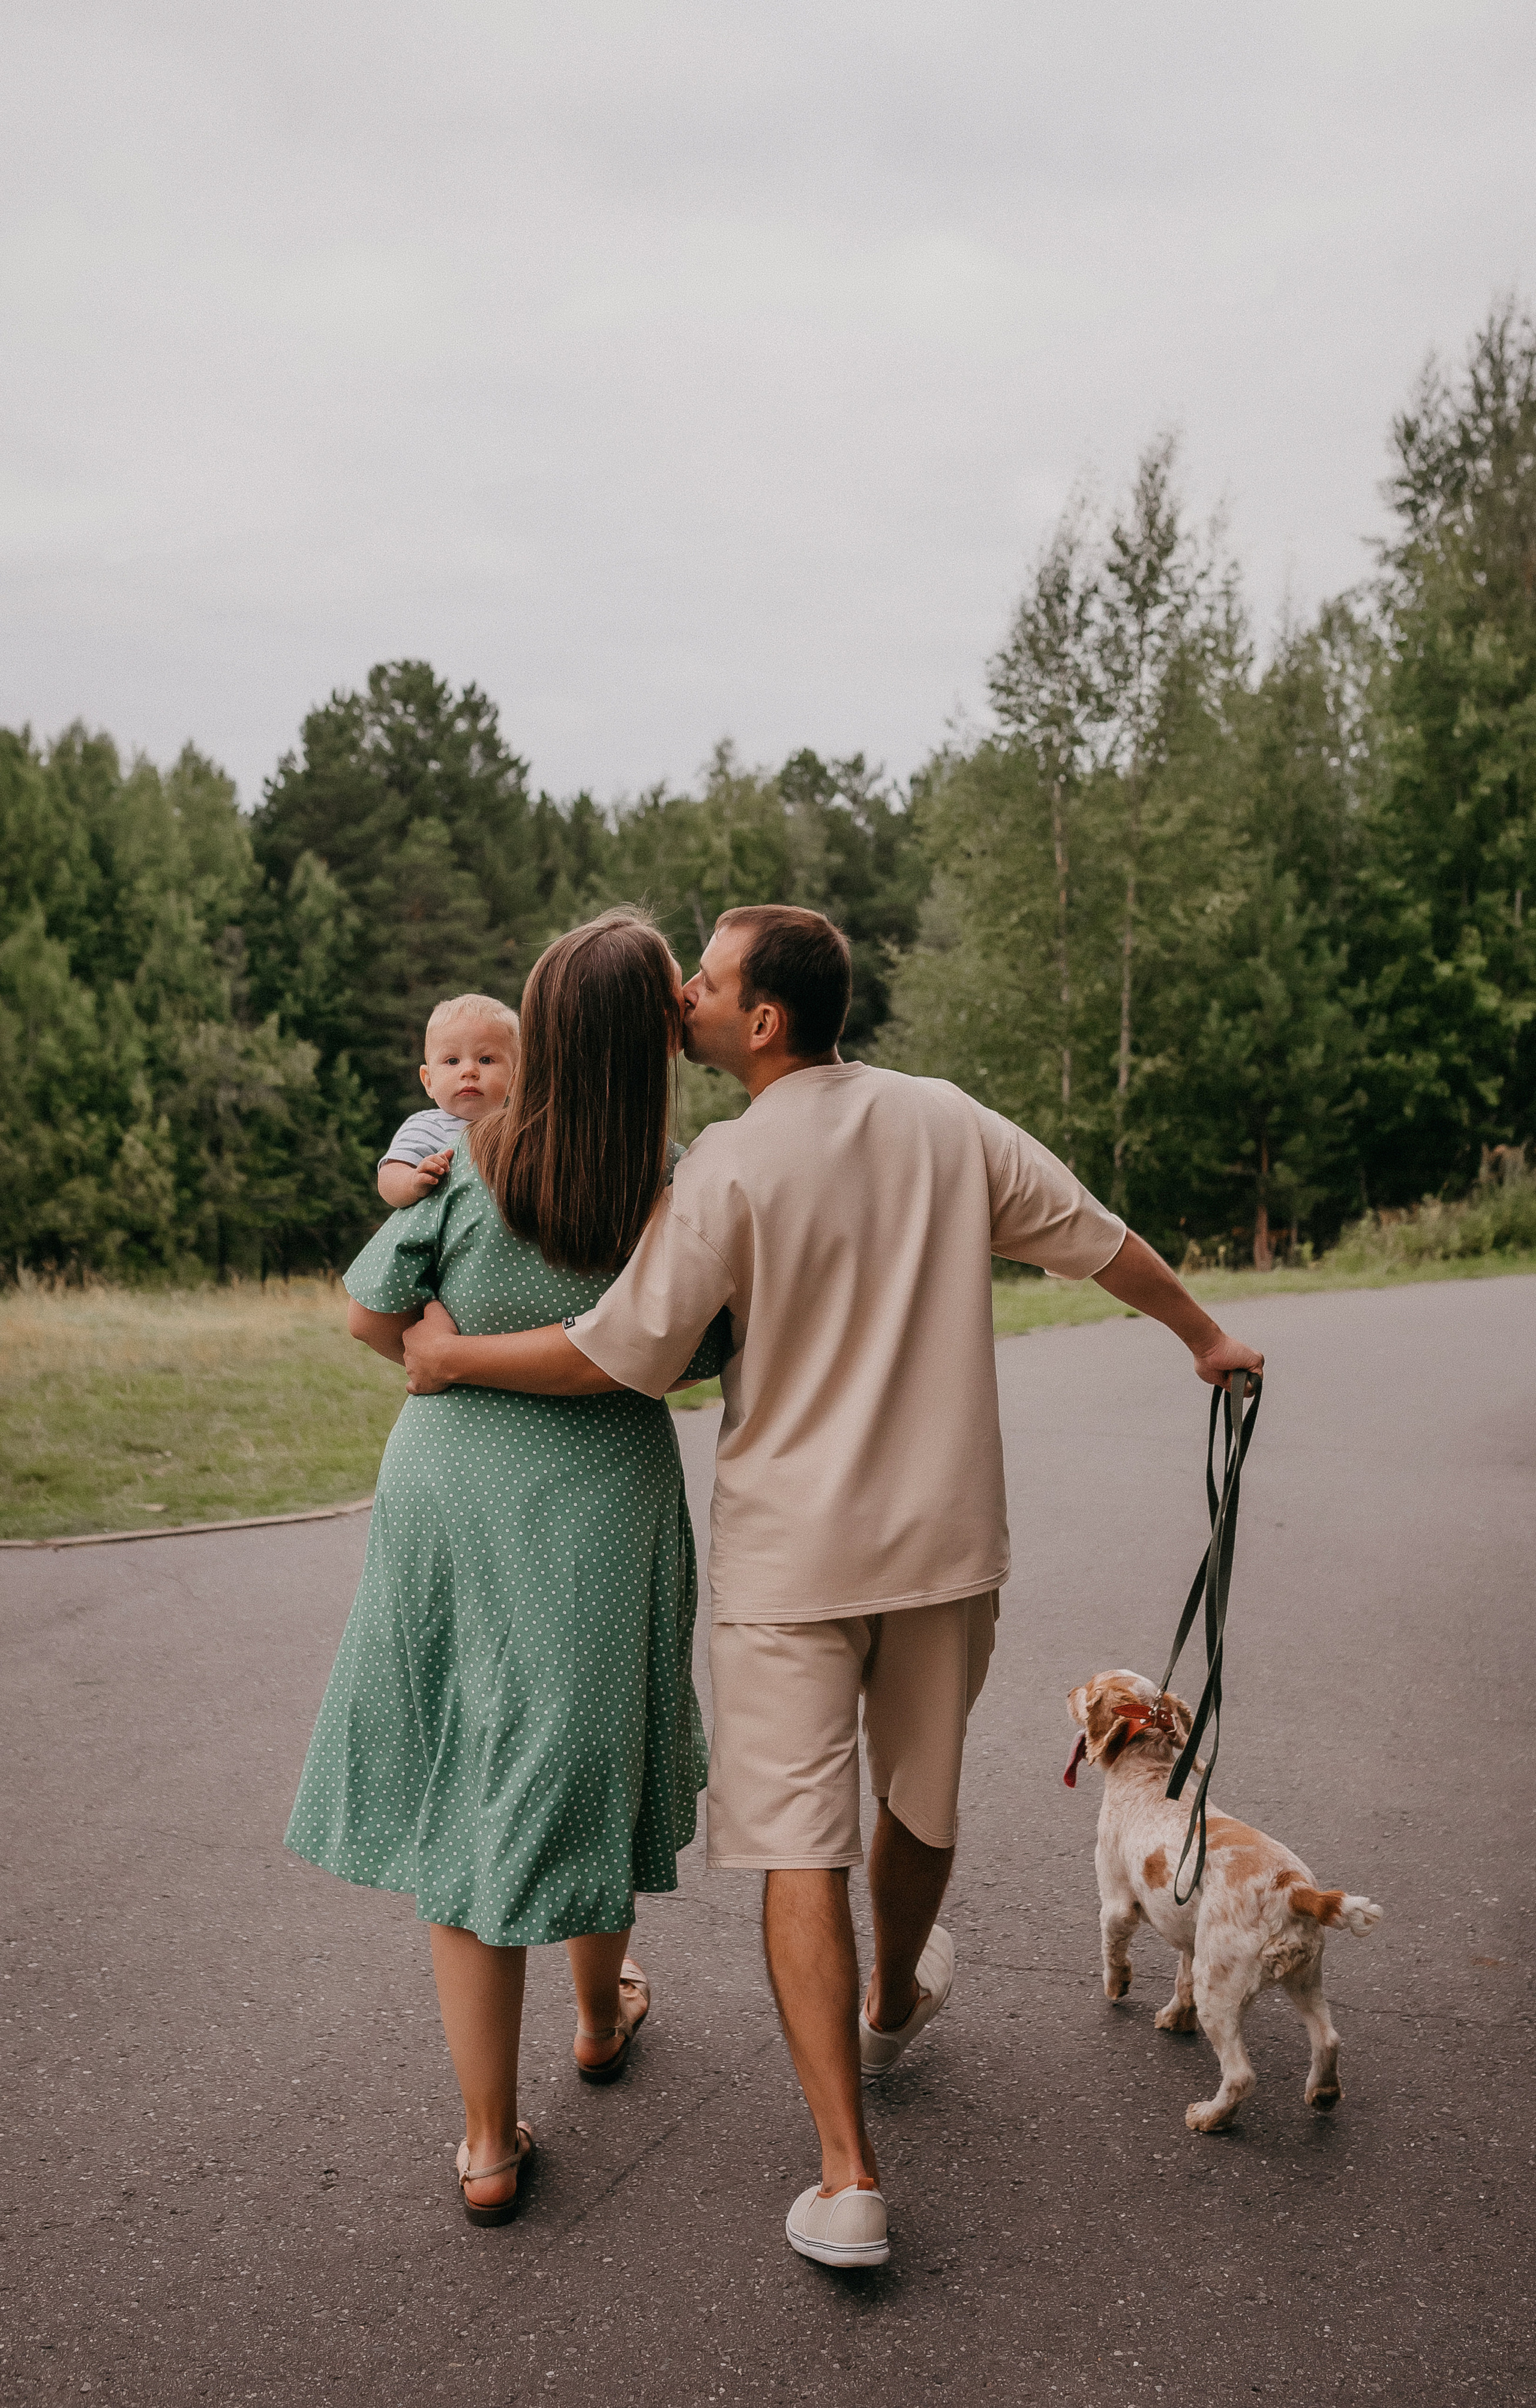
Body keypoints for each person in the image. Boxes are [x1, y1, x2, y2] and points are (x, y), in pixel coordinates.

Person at [398, 904, 1265, 2268]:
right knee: (918, 1796)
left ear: (759, 1021)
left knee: (796, 1841)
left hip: (787, 1561)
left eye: (705, 977)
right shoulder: (946, 1118)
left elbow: (613, 1353)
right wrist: (1204, 1336)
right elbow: (1096, 1239)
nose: (681, 992)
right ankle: (893, 2002)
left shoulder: (727, 1168)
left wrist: (453, 1362)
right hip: (942, 1544)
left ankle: (847, 2175)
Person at [285, 910, 725, 2227]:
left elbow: (373, 1313)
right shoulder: (672, 1178)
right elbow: (689, 1350)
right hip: (598, 1489)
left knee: (473, 1772)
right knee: (582, 1757)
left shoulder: (463, 1163)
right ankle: (599, 2017)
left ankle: (486, 2140)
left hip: (447, 1481)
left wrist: (447, 1352)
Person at [376, 992, 521, 1211]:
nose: (469, 1071)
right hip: (446, 1242)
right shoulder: (427, 1126)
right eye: (452, 1061)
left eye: (486, 1060)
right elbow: (389, 1178)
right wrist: (413, 1182)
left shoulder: (522, 1128)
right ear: (429, 1081)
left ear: (516, 1077)